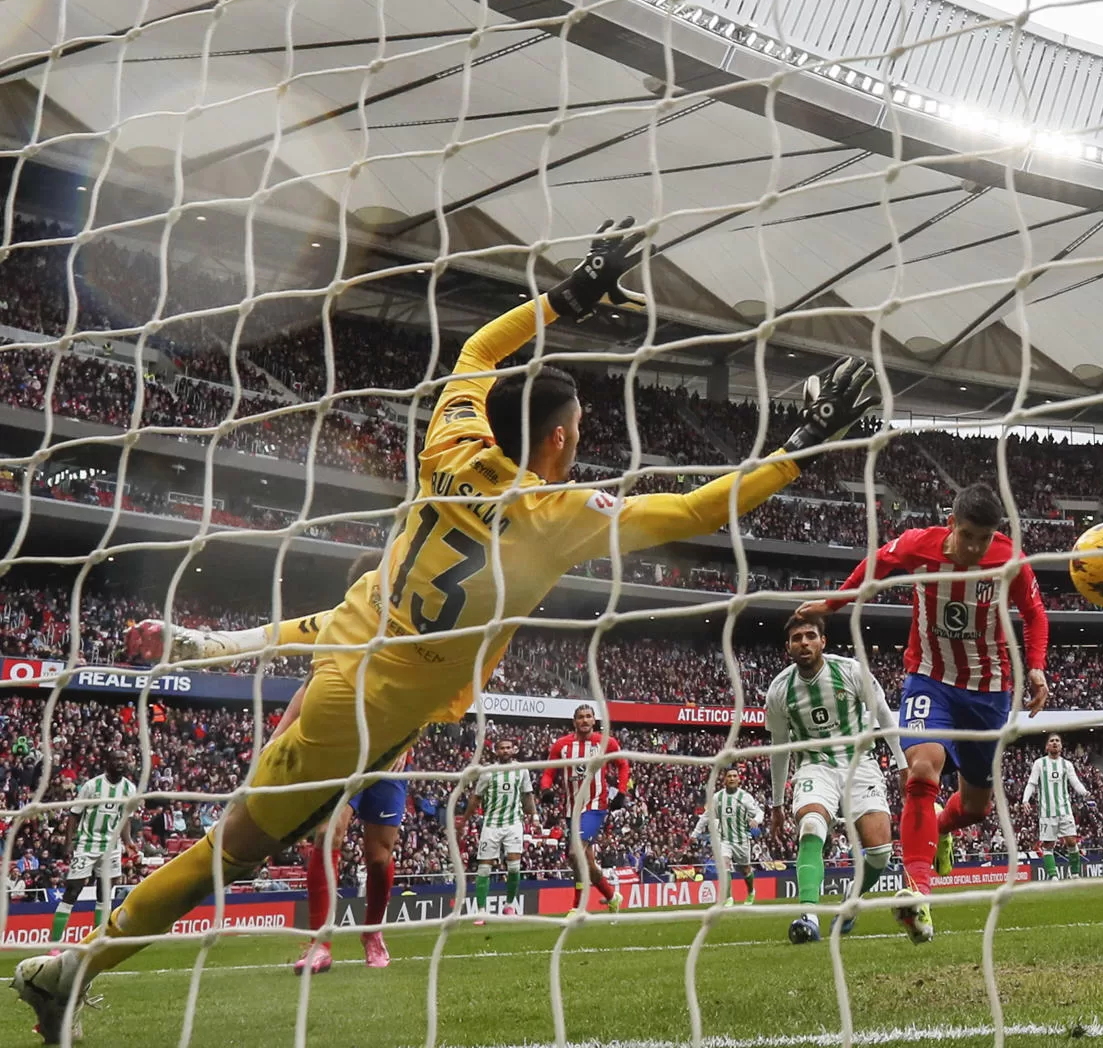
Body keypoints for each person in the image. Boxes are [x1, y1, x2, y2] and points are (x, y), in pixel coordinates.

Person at [13, 218, 878, 1042]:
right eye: (577, 433)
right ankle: (71, 970)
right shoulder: (556, 515)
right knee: (228, 853)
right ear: (560, 440)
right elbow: (694, 507)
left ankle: (78, 971)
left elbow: (476, 351)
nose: (580, 444)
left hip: (360, 650)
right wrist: (797, 448)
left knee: (248, 839)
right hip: (362, 709)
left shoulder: (450, 441)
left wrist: (567, 298)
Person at [130, 551, 412, 975]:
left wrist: (406, 744)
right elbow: (310, 687)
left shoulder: (411, 632)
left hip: (388, 757)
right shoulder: (341, 629)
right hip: (340, 751)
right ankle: (320, 942)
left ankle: (372, 932)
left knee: (378, 855)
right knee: (325, 835)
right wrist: (276, 739)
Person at [796, 483, 1049, 945]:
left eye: (985, 538)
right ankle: (917, 892)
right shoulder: (919, 545)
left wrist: (1035, 667)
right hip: (929, 679)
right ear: (952, 523)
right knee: (922, 768)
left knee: (976, 808)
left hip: (989, 693)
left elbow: (1035, 614)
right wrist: (833, 605)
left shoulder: (1011, 561)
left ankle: (939, 822)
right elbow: (876, 567)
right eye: (968, 535)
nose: (975, 547)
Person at [763, 611, 899, 943]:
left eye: (810, 636)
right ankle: (808, 917)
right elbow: (780, 748)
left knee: (881, 852)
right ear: (788, 647)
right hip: (814, 765)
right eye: (797, 638)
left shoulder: (851, 671)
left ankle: (850, 904)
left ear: (823, 641)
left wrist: (902, 762)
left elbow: (882, 713)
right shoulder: (780, 690)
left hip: (858, 762)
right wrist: (777, 803)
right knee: (811, 826)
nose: (804, 642)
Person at [542, 705, 631, 913]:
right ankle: (612, 896)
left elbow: (623, 765)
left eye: (588, 716)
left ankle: (577, 907)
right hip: (572, 810)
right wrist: (546, 789)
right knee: (588, 864)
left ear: (594, 721)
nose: (584, 720)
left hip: (595, 806)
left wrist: (621, 792)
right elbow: (548, 772)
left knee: (575, 853)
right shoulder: (562, 745)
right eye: (580, 717)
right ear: (574, 721)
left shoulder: (606, 742)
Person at [48, 751, 139, 947]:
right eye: (117, 759)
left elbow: (126, 819)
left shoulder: (130, 789)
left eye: (124, 759)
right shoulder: (91, 786)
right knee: (72, 891)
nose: (121, 763)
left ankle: (97, 942)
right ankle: (54, 945)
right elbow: (74, 814)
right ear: (108, 762)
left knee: (105, 893)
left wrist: (128, 842)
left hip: (112, 847)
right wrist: (68, 842)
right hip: (86, 845)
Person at [460, 735, 535, 923]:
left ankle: (509, 905)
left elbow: (527, 795)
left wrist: (534, 816)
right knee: (484, 869)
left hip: (514, 823)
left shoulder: (522, 771)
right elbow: (476, 798)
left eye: (508, 747)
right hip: (491, 824)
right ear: (496, 751)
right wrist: (464, 821)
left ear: (514, 750)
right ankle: (481, 911)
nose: (505, 751)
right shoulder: (487, 772)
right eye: (502, 748)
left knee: (514, 866)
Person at [691, 768, 763, 906]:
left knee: (746, 869)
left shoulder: (745, 797)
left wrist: (757, 820)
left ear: (739, 779)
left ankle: (751, 891)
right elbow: (706, 816)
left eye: (734, 776)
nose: (732, 778)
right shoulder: (717, 797)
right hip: (725, 840)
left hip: (742, 840)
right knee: (724, 866)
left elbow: (759, 812)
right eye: (729, 776)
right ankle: (728, 897)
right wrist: (695, 833)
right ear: (724, 779)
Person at [1022, 734, 1089, 881]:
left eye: (1057, 741)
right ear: (1046, 746)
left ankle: (1075, 874)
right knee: (1048, 844)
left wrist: (1084, 793)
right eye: (1051, 741)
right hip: (1047, 812)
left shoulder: (1067, 764)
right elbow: (1032, 783)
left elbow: (1075, 782)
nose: (1054, 743)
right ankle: (1053, 876)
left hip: (1064, 810)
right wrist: (1025, 800)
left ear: (1061, 746)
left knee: (1071, 841)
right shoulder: (1039, 763)